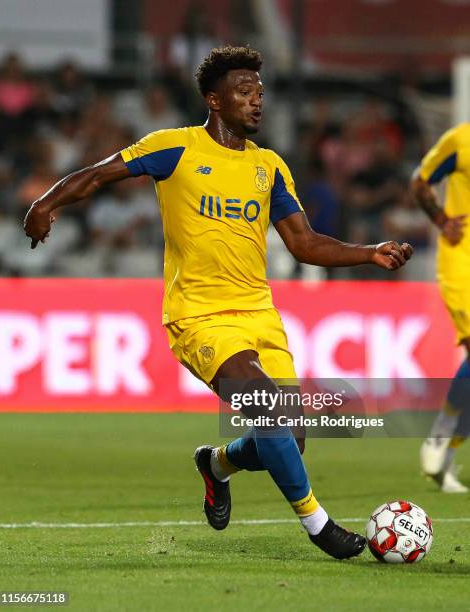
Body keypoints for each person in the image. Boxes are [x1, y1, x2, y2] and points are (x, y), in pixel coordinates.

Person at [24, 46, 412, 559]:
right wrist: (44, 203)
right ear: (214, 99)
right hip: (199, 316)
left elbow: (304, 243)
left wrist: (368, 253)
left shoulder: (269, 167)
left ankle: (217, 464)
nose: (257, 102)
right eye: (244, 92)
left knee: (289, 439)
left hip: (259, 316)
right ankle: (318, 524)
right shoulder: (175, 147)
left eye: (260, 93)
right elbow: (98, 174)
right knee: (270, 413)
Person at [411, 123, 470, 493]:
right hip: (463, 260)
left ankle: (445, 446)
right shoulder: (461, 140)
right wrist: (441, 220)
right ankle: (441, 440)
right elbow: (420, 180)